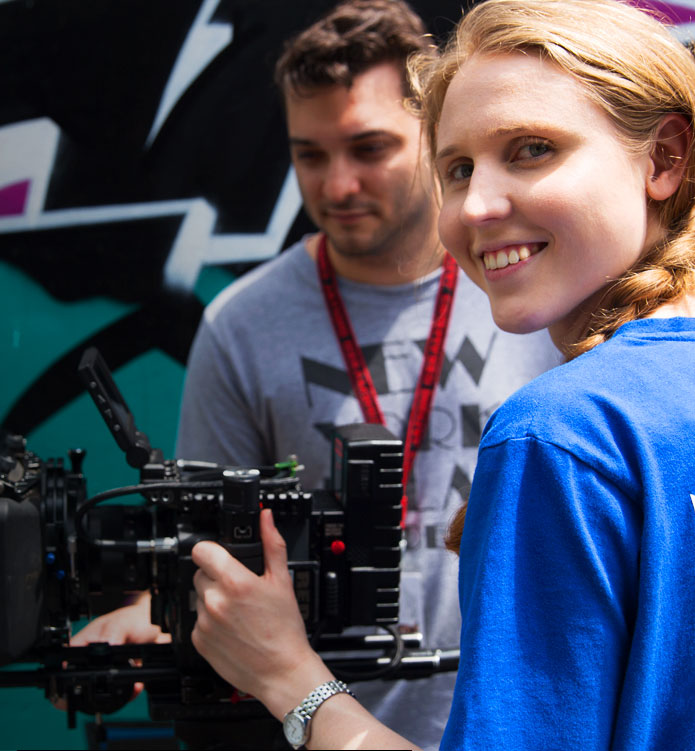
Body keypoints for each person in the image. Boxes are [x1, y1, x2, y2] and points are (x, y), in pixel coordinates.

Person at [187, 0, 695, 749]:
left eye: (532, 149)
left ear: (663, 158)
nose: (476, 205)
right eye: (456, 167)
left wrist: (290, 677)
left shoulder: (561, 436)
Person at [68, 1, 559, 748]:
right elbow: (214, 548)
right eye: (311, 154)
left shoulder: (527, 291)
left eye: (369, 148)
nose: (336, 185)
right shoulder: (241, 326)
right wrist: (154, 611)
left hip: (517, 722)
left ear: (431, 136)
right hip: (319, 727)